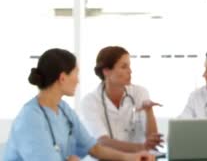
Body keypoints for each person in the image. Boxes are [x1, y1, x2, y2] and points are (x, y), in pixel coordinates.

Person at [4, 48, 155, 161]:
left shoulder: (63, 109)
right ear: (63, 78)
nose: (78, 80)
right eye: (76, 73)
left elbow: (94, 148)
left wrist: (133, 157)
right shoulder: (31, 120)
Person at [80, 46, 163, 153]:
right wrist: (142, 147)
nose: (130, 71)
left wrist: (149, 111)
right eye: (124, 67)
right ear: (106, 71)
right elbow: (102, 141)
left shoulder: (139, 93)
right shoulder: (90, 101)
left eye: (129, 66)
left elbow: (152, 139)